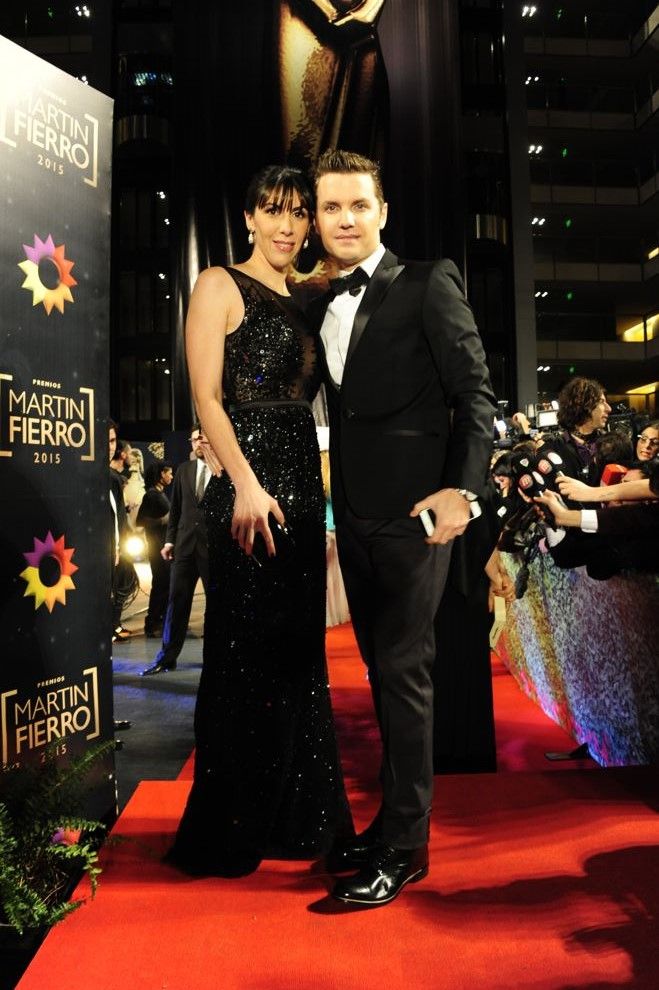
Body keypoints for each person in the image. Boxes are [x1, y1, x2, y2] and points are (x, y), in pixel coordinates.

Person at [311, 149, 496, 906]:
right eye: (331, 207)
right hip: (354, 514)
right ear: (316, 217)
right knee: (382, 676)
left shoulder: (427, 281)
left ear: (382, 211)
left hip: (416, 517)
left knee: (404, 675)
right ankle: (390, 824)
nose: (345, 219)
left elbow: (475, 393)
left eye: (359, 204)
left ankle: (407, 847)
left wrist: (464, 490)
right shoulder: (318, 298)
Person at [167, 165, 353, 877]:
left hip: (301, 488)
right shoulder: (218, 284)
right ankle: (230, 828)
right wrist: (242, 482)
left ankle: (299, 820)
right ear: (248, 217)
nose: (286, 225)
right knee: (242, 660)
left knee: (300, 661)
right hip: (247, 492)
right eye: (273, 211)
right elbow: (207, 397)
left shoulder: (306, 295)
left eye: (298, 213)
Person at [142, 426, 211, 675]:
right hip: (184, 547)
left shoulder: (224, 471)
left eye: (201, 438)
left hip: (212, 549)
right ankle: (167, 658)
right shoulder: (184, 470)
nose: (197, 443)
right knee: (176, 602)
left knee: (216, 605)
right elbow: (176, 511)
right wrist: (170, 541)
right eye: (193, 440)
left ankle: (214, 659)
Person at [137, 460, 173, 638]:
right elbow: (140, 521)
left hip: (161, 545)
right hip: (157, 546)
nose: (171, 476)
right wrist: (163, 520)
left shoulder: (159, 494)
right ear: (161, 474)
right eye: (169, 473)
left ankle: (159, 621)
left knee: (163, 583)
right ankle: (152, 623)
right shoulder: (152, 495)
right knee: (160, 584)